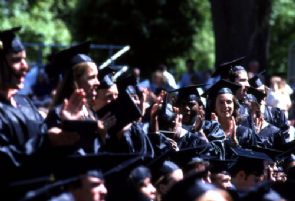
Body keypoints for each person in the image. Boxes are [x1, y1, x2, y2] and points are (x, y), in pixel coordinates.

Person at [0, 27, 79, 182]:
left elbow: (44, 137)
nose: (26, 67)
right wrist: (46, 141)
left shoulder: (25, 102)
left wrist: (64, 126)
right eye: (16, 60)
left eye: (24, 59)